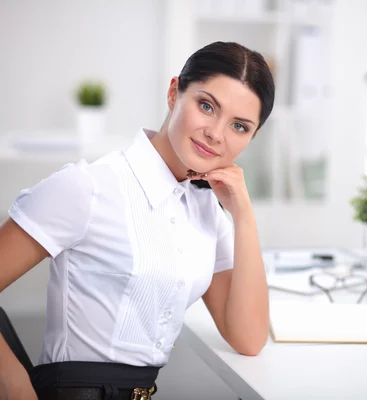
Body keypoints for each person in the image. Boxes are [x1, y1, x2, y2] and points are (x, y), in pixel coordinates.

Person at [0, 40, 274, 400]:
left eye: (239, 126)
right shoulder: (89, 187)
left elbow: (249, 338)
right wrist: (15, 387)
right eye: (206, 106)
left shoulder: (207, 208)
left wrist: (244, 216)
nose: (216, 133)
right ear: (175, 93)